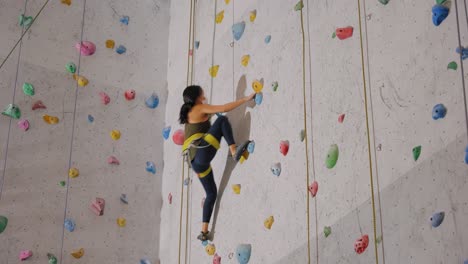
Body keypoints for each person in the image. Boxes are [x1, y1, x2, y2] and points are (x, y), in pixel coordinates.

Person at [179, 85, 255, 241]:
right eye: (202, 92)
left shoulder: (189, 113)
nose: (204, 93)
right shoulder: (199, 108)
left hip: (196, 163)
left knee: (211, 194)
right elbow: (225, 108)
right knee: (221, 120)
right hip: (200, 153)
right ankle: (234, 151)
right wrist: (245, 99)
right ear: (197, 96)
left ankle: (204, 231)